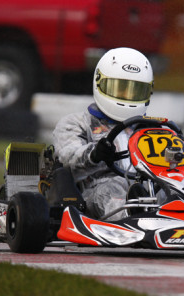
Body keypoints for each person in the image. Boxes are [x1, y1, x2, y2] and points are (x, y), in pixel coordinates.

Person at [52, 47, 154, 220]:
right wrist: (95, 153)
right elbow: (68, 157)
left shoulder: (149, 129)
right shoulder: (76, 123)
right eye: (120, 89)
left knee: (176, 192)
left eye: (135, 91)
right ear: (100, 83)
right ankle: (132, 218)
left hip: (147, 188)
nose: (127, 96)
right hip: (94, 192)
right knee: (111, 189)